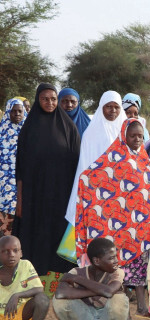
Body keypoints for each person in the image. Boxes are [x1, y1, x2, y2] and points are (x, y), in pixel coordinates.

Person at [75, 119, 150, 316]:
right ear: (123, 136)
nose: (137, 139)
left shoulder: (144, 160)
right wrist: (85, 180)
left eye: (140, 136)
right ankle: (116, 302)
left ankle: (141, 305)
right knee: (115, 265)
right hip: (116, 228)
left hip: (140, 226)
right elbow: (94, 176)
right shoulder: (112, 158)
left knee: (139, 264)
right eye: (133, 136)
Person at [13, 83, 81, 279]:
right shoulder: (28, 129)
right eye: (45, 99)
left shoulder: (68, 127)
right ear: (37, 100)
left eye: (53, 99)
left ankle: (60, 276)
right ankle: (34, 274)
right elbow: (20, 169)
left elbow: (76, 163)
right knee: (35, 232)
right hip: (35, 194)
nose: (50, 102)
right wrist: (20, 199)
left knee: (57, 232)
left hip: (62, 194)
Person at [64, 90, 128, 247]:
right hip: (96, 192)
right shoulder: (91, 133)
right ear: (101, 108)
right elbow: (85, 166)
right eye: (108, 106)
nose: (112, 110)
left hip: (121, 191)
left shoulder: (127, 132)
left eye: (116, 107)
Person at [53, 238, 130, 320]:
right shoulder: (77, 271)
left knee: (119, 299)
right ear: (96, 261)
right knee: (59, 301)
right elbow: (60, 293)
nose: (116, 261)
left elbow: (109, 292)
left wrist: (77, 280)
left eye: (116, 256)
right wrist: (98, 290)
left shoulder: (117, 272)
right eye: (111, 258)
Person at [0, 236, 48, 320]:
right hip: (1, 318)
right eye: (5, 251)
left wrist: (17, 295)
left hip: (20, 316)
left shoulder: (25, 265)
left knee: (42, 299)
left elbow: (39, 288)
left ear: (21, 253)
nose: (11, 254)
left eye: (15, 250)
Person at [0, 99, 25, 235]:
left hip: (24, 187)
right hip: (3, 190)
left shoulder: (29, 132)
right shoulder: (1, 133)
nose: (16, 114)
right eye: (13, 111)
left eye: (19, 111)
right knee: (5, 229)